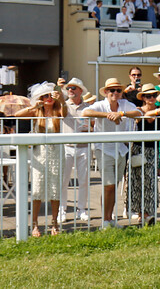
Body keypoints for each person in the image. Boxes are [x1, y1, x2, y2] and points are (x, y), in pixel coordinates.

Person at [84, 78, 142, 229]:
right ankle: (106, 220)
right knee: (108, 185)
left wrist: (121, 114)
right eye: (112, 90)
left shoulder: (124, 104)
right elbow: (86, 112)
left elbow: (138, 112)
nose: (115, 93)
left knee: (113, 186)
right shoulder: (100, 105)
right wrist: (108, 115)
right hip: (103, 148)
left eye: (118, 90)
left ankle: (109, 220)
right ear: (106, 92)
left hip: (121, 149)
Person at [16, 83, 68, 237]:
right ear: (40, 98)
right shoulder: (36, 112)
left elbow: (65, 113)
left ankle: (54, 223)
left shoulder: (58, 110)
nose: (48, 98)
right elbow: (18, 115)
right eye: (45, 96)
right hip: (40, 153)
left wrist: (63, 100)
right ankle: (35, 224)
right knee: (37, 189)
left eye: (50, 95)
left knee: (55, 189)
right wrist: (34, 107)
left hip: (57, 153)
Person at [132, 84, 160, 225]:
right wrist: (159, 110)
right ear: (143, 98)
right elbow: (145, 117)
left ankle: (148, 213)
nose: (152, 98)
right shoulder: (138, 110)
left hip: (153, 149)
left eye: (154, 95)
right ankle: (143, 214)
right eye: (148, 96)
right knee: (139, 182)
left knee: (151, 182)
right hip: (139, 149)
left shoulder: (159, 111)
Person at [59, 78, 92, 223]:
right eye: (69, 88)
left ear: (80, 90)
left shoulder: (88, 107)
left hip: (84, 146)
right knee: (63, 180)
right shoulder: (63, 105)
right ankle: (62, 209)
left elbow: (93, 125)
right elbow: (60, 111)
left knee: (84, 181)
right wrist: (60, 91)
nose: (70, 90)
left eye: (73, 88)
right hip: (67, 146)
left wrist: (89, 126)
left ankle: (82, 209)